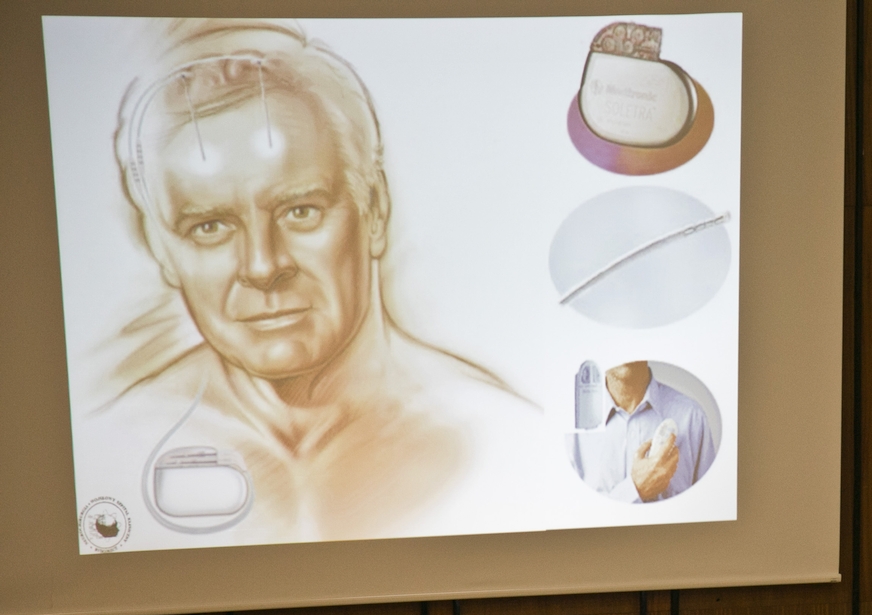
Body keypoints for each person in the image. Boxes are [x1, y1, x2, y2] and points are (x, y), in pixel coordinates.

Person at [82, 19, 543, 544]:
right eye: (210, 227)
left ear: (374, 209)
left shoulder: (501, 442)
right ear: (162, 249)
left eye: (299, 211)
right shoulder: (112, 448)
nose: (262, 266)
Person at [567, 361, 716, 502]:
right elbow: (573, 515)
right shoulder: (571, 426)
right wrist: (635, 489)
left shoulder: (692, 419)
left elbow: (709, 510)